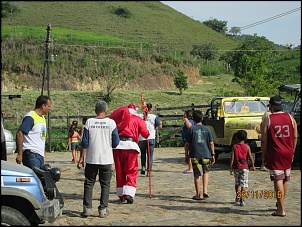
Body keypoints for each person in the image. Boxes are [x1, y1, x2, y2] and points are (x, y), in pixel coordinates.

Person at [77, 100, 120, 218]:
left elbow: (84, 142)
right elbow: (116, 142)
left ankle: (87, 208)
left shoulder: (89, 122)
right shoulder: (111, 123)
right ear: (106, 110)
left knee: (89, 183)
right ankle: (103, 209)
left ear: (96, 110)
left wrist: (81, 158)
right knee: (105, 184)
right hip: (106, 159)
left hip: (91, 159)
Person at [261, 95, 298, 217]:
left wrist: (263, 154)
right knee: (285, 178)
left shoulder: (269, 119)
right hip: (288, 152)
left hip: (275, 153)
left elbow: (264, 140)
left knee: (277, 179)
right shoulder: (290, 117)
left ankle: (280, 209)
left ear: (271, 106)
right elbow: (295, 136)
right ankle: (280, 203)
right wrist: (292, 150)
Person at [109, 103, 150, 204]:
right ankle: (129, 193)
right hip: (131, 146)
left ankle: (121, 194)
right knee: (131, 170)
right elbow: (146, 134)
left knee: (119, 171)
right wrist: (146, 124)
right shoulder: (137, 119)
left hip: (118, 146)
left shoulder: (118, 119)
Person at [184, 110, 215, 200]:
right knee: (206, 171)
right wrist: (213, 154)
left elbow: (187, 144)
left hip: (195, 154)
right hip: (206, 154)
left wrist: (186, 155)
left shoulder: (191, 130)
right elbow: (211, 143)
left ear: (193, 119)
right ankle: (205, 190)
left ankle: (198, 194)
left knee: (196, 174)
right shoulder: (207, 129)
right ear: (202, 118)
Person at [15, 95, 51, 169]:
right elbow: (20, 133)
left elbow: (41, 139)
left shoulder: (42, 118)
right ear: (43, 106)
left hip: (39, 155)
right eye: (48, 106)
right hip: (32, 155)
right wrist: (20, 154)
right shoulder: (30, 117)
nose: (49, 109)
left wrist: (43, 156)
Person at [230, 130, 256, 206]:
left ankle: (237, 197)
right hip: (245, 168)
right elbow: (251, 157)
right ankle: (243, 199)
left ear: (237, 138)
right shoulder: (247, 147)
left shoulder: (234, 147)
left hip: (236, 167)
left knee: (237, 183)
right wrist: (253, 165)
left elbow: (232, 158)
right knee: (244, 184)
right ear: (246, 138)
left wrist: (231, 168)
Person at [138, 103, 162, 175]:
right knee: (150, 154)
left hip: (142, 137)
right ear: (151, 109)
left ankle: (143, 166)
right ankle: (149, 170)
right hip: (151, 137)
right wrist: (160, 122)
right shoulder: (153, 117)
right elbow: (159, 126)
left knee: (143, 153)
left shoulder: (140, 116)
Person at [182, 109, 194, 174]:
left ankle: (190, 168)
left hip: (189, 140)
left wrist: (185, 119)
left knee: (189, 153)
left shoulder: (190, 121)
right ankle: (190, 167)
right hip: (186, 139)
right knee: (188, 153)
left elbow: (189, 126)